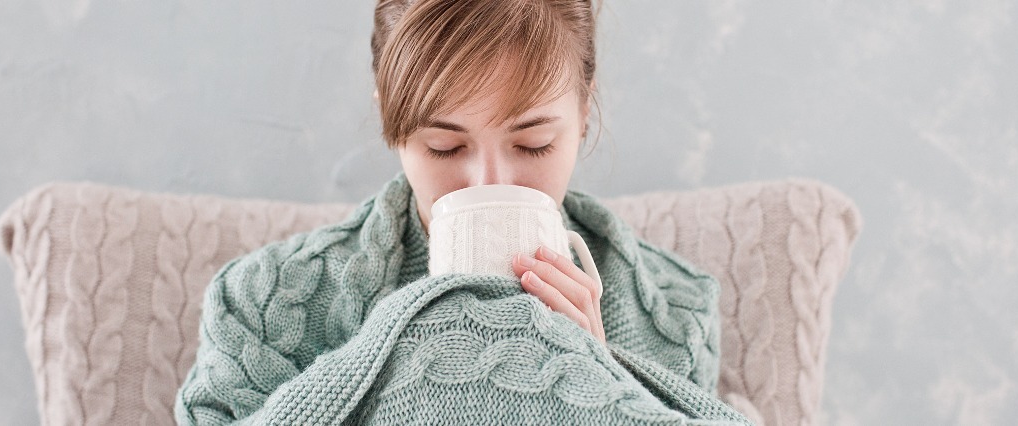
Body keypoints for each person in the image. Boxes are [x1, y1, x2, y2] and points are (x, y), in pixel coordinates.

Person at [175, 1, 750, 424]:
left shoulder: (672, 309)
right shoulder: (262, 300)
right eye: (444, 147)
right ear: (391, 118)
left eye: (533, 144)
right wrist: (404, 342)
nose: (490, 183)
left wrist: (598, 376)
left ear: (583, 110)